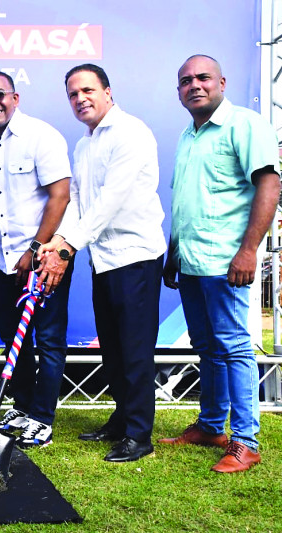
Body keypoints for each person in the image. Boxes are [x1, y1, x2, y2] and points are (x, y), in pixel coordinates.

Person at [158, 55, 280, 473]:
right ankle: (211, 425)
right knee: (207, 347)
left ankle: (246, 441)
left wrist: (249, 250)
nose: (194, 85)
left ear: (222, 82)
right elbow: (184, 201)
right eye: (185, 80)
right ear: (179, 92)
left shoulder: (244, 125)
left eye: (203, 77)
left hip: (226, 261)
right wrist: (173, 255)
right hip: (192, 262)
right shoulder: (188, 136)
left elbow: (269, 184)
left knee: (233, 348)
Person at [40, 64, 166, 462]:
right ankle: (122, 419)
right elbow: (79, 204)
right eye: (73, 94)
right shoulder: (84, 145)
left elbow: (111, 201)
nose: (81, 99)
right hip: (103, 258)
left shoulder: (132, 132)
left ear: (108, 92)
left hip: (136, 257)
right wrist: (61, 240)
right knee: (111, 349)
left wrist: (66, 246)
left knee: (134, 349)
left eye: (88, 90)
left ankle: (139, 436)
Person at [0, 71, 73, 448]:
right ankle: (24, 406)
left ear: (15, 97)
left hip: (45, 257)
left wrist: (35, 250)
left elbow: (61, 196)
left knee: (48, 337)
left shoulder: (41, 136)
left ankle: (43, 418)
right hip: (3, 259)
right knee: (14, 338)